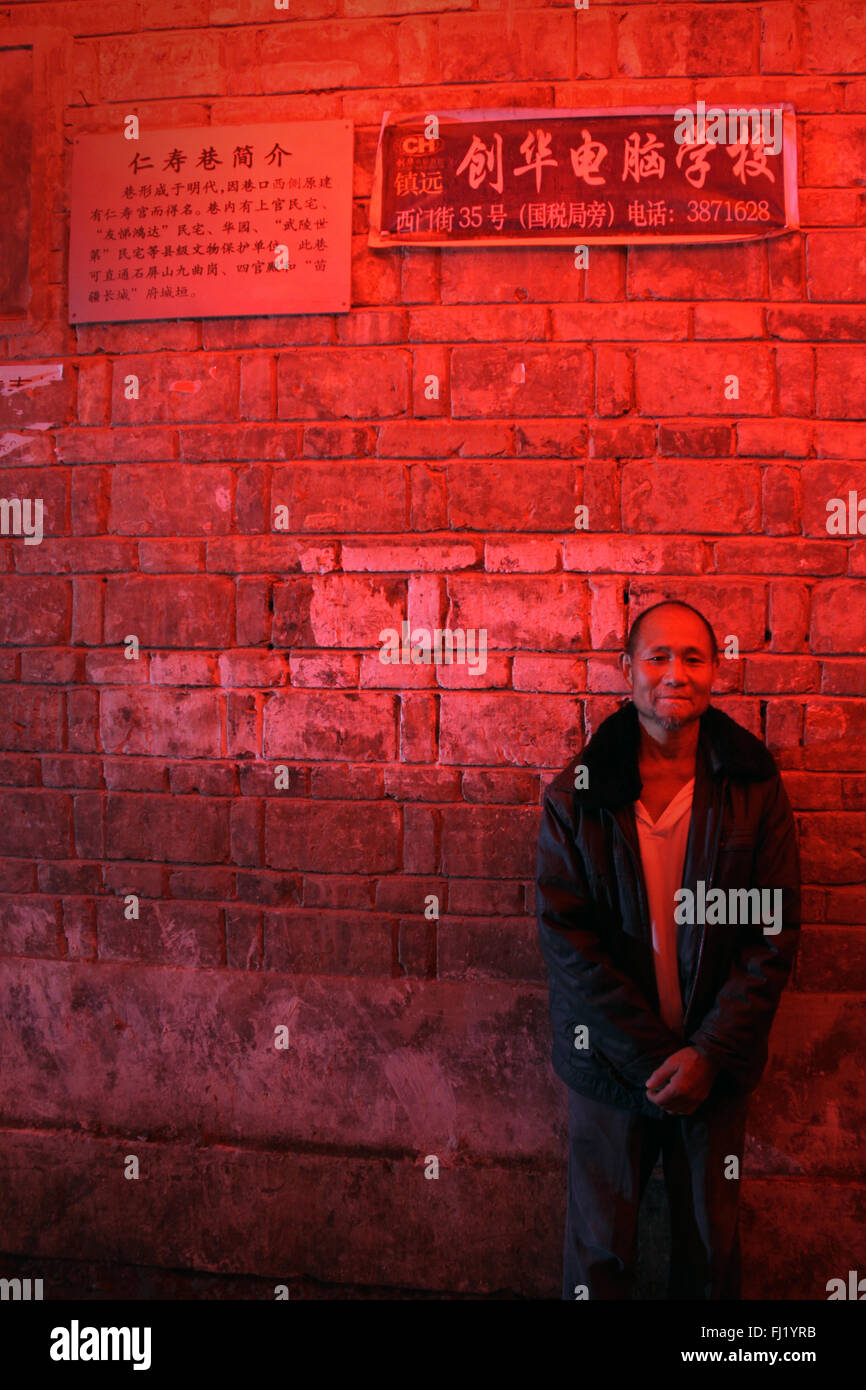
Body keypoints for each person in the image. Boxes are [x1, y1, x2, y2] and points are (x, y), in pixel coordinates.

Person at [535, 599, 801, 1300]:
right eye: (657, 657)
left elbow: (771, 935)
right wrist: (654, 1056)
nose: (675, 674)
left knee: (711, 1259)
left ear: (716, 671)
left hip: (713, 1067)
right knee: (599, 1255)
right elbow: (569, 943)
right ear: (627, 672)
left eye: (693, 658)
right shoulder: (578, 795)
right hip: (609, 1069)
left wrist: (708, 1053)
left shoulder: (753, 786)